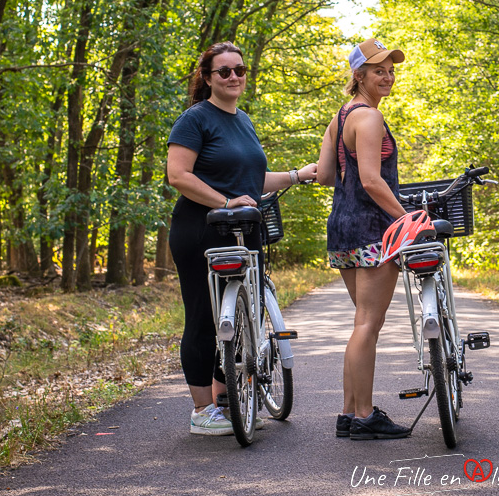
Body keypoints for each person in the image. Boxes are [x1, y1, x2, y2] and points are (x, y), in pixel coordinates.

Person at [166, 42, 317, 436]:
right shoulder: (194, 119)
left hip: (244, 229)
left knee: (241, 317)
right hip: (200, 230)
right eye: (224, 71)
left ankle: (225, 400)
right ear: (207, 77)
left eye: (239, 70)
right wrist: (226, 202)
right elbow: (179, 176)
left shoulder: (243, 120)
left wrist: (297, 175)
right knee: (203, 318)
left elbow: (251, 180)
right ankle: (201, 411)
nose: (234, 77)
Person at [316, 37, 411, 440]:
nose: (387, 76)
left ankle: (348, 413)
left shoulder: (340, 117)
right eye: (378, 70)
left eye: (390, 69)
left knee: (361, 323)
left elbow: (323, 176)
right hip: (372, 229)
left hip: (342, 226)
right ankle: (365, 415)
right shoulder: (369, 118)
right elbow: (371, 180)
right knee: (369, 324)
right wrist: (408, 220)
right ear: (359, 75)